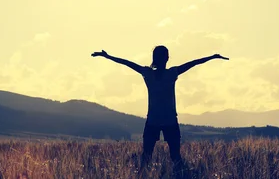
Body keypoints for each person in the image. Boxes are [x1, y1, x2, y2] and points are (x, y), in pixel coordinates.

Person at [91, 46, 228, 170]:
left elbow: (127, 63)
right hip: (170, 120)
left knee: (147, 157)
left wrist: (108, 56)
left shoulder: (148, 73)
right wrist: (212, 57)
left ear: (154, 58)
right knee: (175, 157)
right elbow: (194, 63)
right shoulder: (172, 73)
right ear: (167, 58)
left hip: (153, 120)